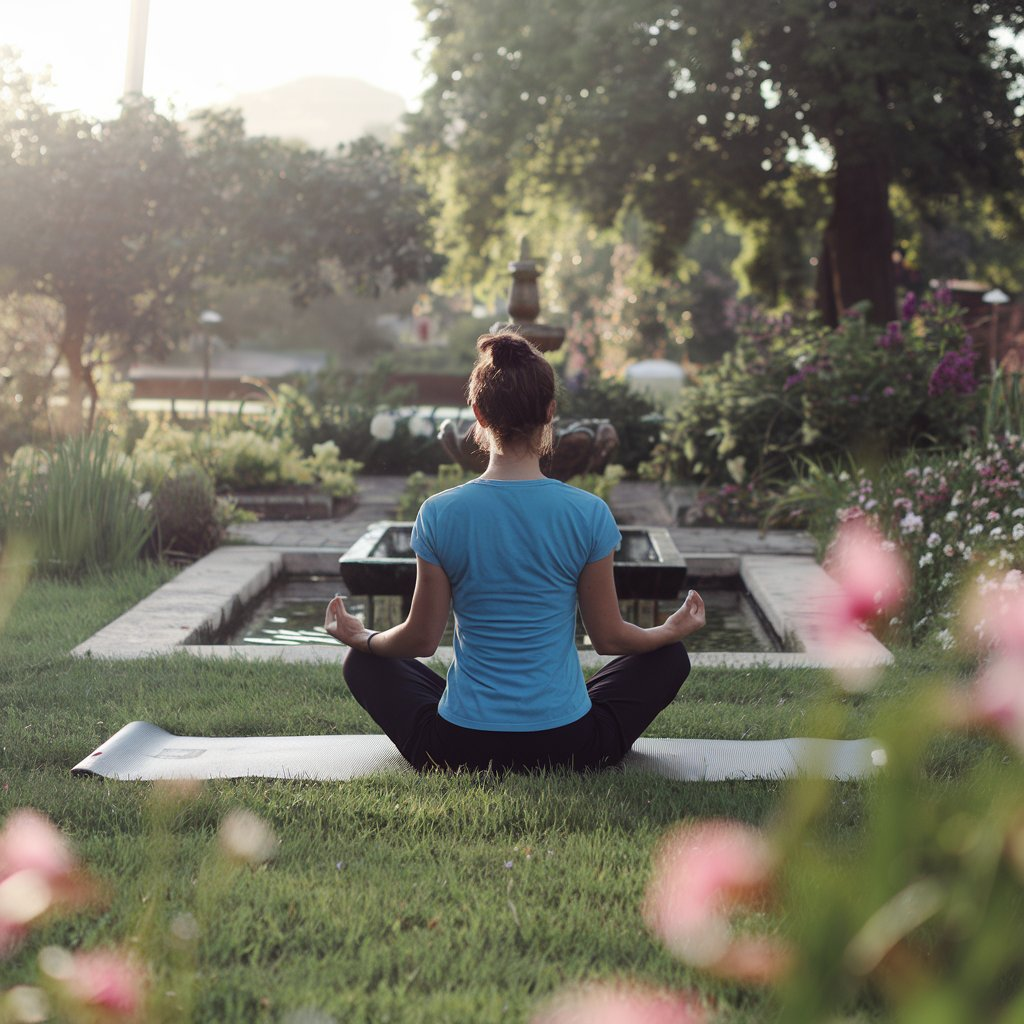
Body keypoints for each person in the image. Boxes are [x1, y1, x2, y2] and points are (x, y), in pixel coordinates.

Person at [325, 330, 705, 773]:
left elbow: (421, 640)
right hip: (570, 745)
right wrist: (669, 630)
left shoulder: (439, 513)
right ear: (550, 411)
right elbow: (609, 638)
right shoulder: (588, 512)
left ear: (478, 414)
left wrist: (361, 637)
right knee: (668, 657)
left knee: (364, 662)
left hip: (458, 746)